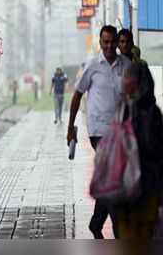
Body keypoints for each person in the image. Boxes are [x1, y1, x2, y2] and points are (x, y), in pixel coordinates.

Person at [67, 25, 131, 239]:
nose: (110, 45)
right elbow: (77, 95)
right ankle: (118, 228)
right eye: (106, 42)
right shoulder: (93, 66)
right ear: (100, 43)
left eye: (113, 41)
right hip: (99, 131)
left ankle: (96, 224)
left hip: (121, 131)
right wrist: (70, 128)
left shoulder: (127, 65)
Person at [115, 62, 163, 239]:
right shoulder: (127, 108)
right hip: (135, 187)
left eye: (128, 77)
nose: (124, 81)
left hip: (138, 186)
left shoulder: (137, 110)